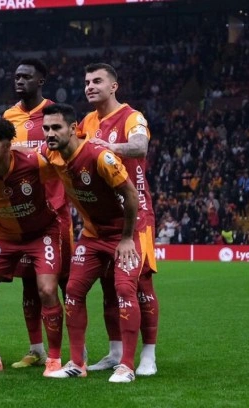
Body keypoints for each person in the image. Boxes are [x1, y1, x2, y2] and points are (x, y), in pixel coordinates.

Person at [41, 103, 143, 383]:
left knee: (124, 290)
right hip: (92, 235)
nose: (50, 133)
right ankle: (77, 363)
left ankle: (127, 366)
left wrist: (126, 238)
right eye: (46, 128)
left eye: (56, 128)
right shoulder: (51, 153)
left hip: (122, 236)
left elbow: (131, 195)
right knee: (73, 290)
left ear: (73, 129)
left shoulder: (99, 156)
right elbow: (26, 153)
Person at [76, 63, 159, 376]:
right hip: (102, 218)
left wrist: (107, 147)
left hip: (136, 215)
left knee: (140, 283)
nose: (90, 86)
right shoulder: (87, 121)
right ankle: (115, 352)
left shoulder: (131, 117)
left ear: (114, 86)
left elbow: (140, 146)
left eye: (97, 81)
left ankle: (148, 355)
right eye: (87, 82)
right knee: (108, 286)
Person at [0, 117, 64, 376]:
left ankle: (54, 359)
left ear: (8, 146)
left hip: (42, 233)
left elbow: (64, 161)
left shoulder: (33, 162)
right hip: (6, 237)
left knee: (47, 290)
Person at [3, 58, 73, 369]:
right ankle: (36, 349)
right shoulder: (8, 117)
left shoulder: (56, 113)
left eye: (26, 77)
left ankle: (77, 350)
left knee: (65, 282)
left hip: (55, 210)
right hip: (23, 214)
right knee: (29, 283)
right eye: (17, 76)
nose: (19, 81)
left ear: (40, 80)